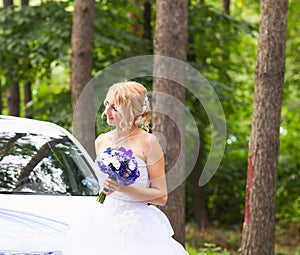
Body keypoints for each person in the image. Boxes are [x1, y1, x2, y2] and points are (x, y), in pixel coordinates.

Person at [63, 81, 188, 255]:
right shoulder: (101, 141)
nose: (107, 112)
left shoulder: (149, 142)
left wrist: (123, 188)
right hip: (103, 219)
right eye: (107, 104)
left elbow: (161, 196)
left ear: (131, 111)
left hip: (137, 224)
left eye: (115, 108)